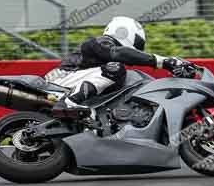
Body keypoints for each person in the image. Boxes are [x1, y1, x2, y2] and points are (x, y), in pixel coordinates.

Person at [45, 16, 188, 120]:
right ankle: (69, 102)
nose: (137, 48)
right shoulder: (103, 42)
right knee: (115, 69)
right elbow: (120, 53)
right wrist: (164, 62)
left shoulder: (104, 53)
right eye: (137, 43)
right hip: (60, 81)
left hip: (68, 81)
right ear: (124, 32)